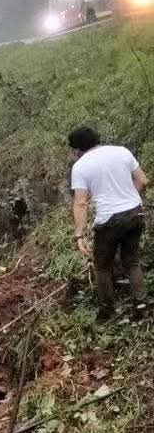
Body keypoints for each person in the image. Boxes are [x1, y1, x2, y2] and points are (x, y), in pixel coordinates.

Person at [69, 127, 148, 320]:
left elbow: (81, 202)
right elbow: (143, 181)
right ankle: (141, 304)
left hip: (109, 221)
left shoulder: (80, 167)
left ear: (77, 148)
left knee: (102, 266)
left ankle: (107, 311)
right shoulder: (122, 151)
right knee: (131, 261)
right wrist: (128, 200)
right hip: (135, 212)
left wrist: (79, 234)